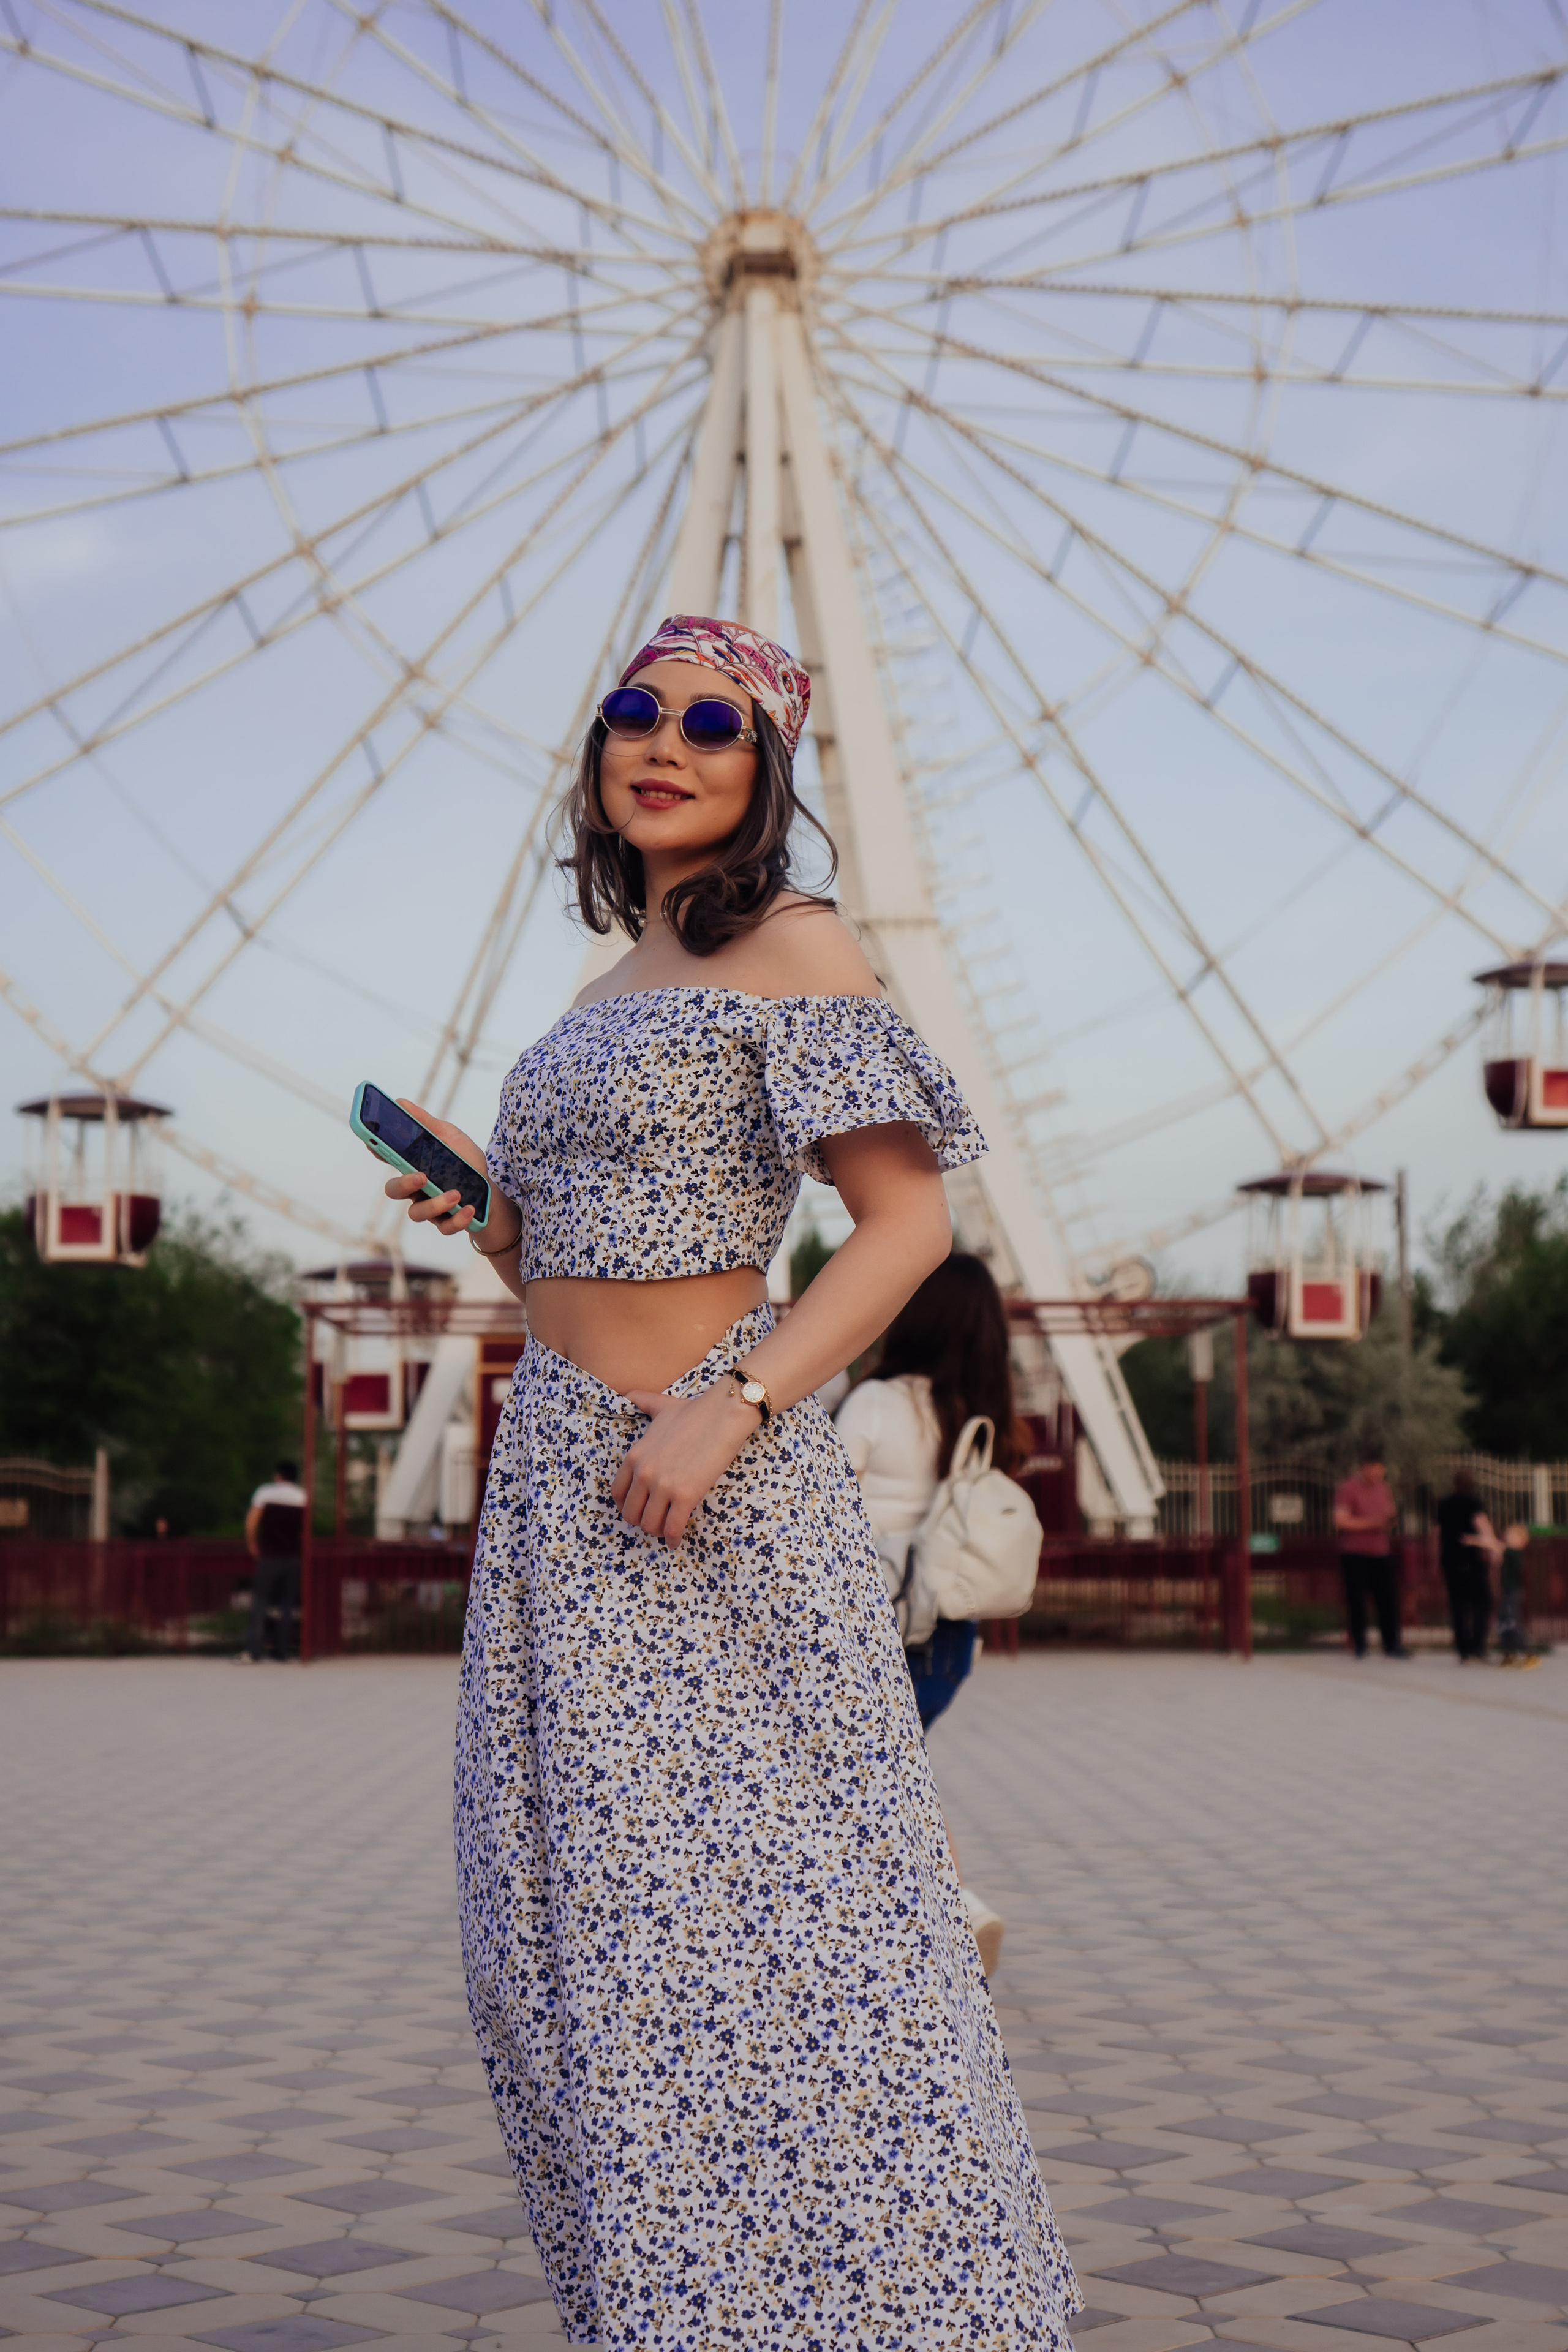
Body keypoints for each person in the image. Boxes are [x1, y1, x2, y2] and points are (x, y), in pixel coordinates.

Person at [372, 616, 1082, 2350]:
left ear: (769, 771)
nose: (662, 742)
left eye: (713, 722)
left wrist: (737, 1400)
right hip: (558, 1489)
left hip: (716, 1493)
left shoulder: (796, 944)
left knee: (787, 1934)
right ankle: (674, 2307)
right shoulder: (602, 991)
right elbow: (578, 1260)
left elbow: (908, 1223)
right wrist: (490, 1214)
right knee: (559, 1949)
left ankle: (913, 2312)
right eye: (632, 711)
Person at [1332, 1448, 1406, 1659]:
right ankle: (1360, 1645)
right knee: (1357, 1600)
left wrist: (1389, 1520)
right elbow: (1341, 1521)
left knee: (1388, 1599)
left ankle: (1392, 1644)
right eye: (1374, 1470)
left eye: (1381, 1471)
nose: (1378, 1475)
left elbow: (1389, 1512)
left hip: (1381, 1551)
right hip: (1355, 1552)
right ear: (1364, 1468)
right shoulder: (1348, 1489)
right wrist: (1373, 1523)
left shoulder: (1384, 1488)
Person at [242, 1458, 305, 1662]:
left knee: (260, 1601)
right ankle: (282, 1651)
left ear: (279, 1475)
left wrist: (253, 1544)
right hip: (293, 1555)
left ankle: (253, 1650)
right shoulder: (301, 1496)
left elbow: (251, 1522)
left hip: (269, 1554)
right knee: (287, 1604)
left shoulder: (265, 1493)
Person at [1435, 1468, 1493, 1662]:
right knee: (1480, 1603)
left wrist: (1436, 1558)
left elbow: (1436, 1534)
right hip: (1472, 1560)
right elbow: (1483, 1528)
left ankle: (1463, 1649)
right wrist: (1491, 1546)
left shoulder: (1444, 1504)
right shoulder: (1473, 1504)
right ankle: (1478, 1646)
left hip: (1450, 1560)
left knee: (1458, 1605)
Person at [1493, 1520, 1537, 1667]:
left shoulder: (1516, 1552)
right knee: (1504, 1623)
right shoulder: (1509, 1553)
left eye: (1510, 1536)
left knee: (1513, 1622)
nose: (1506, 1538)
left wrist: (1478, 1539)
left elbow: (1496, 1545)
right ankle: (1508, 1654)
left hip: (1513, 1593)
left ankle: (1530, 1653)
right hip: (1507, 1593)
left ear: (1522, 1540)